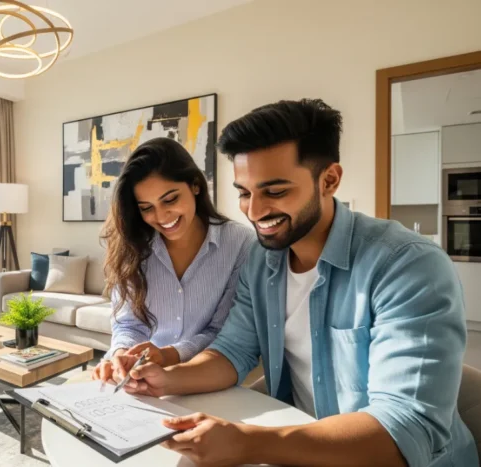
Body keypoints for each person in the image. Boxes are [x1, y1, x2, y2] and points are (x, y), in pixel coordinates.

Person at [120, 99, 478, 466]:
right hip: (302, 448)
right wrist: (167, 380)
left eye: (274, 192)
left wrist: (249, 443)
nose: (255, 212)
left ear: (329, 180)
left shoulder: (408, 266)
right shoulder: (262, 260)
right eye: (244, 193)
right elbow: (233, 351)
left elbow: (406, 429)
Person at [91, 137, 254, 383]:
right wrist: (122, 354)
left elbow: (225, 333)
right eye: (146, 208)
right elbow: (128, 325)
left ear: (195, 186)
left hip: (208, 378)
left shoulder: (240, 243)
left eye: (170, 200)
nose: (161, 216)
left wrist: (170, 356)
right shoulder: (133, 247)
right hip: (142, 379)